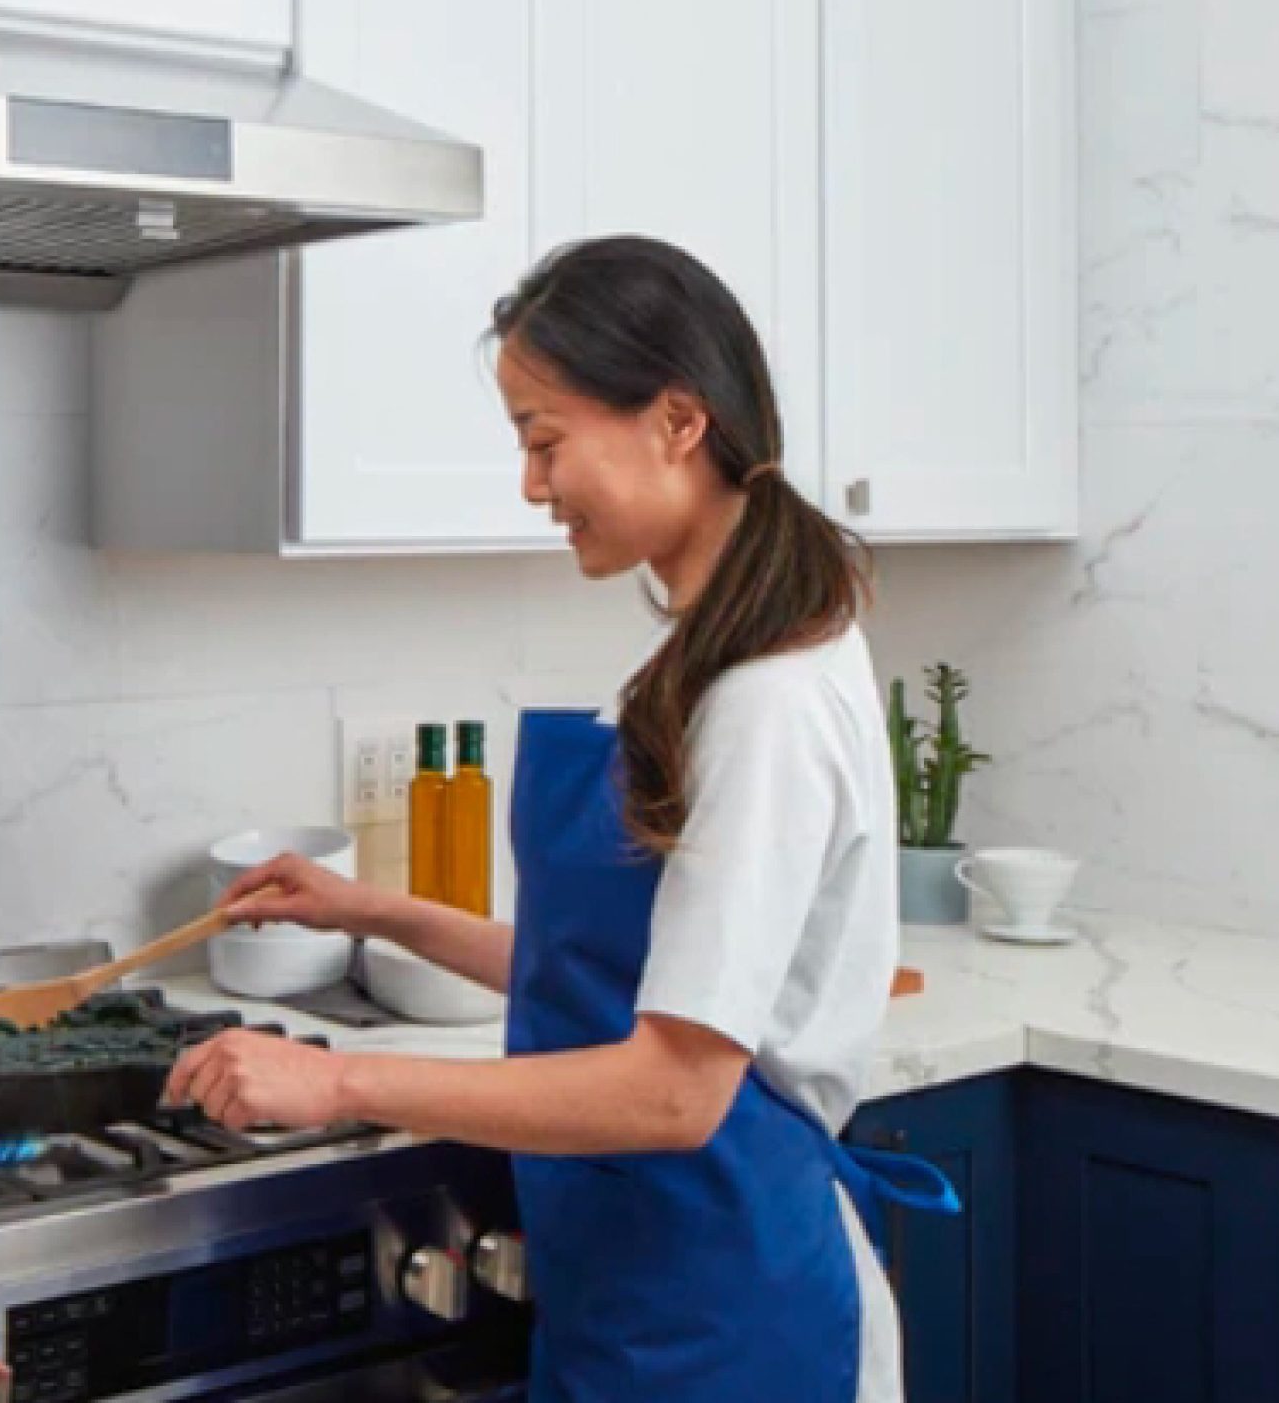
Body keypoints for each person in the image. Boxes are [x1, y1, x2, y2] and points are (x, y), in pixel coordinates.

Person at [164, 236, 955, 1402]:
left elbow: (671, 1091)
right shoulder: (715, 659)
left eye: (545, 440)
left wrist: (340, 1083)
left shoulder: (765, 703)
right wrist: (370, 910)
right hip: (641, 1290)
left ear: (677, 421)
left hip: (731, 1322)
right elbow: (619, 978)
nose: (533, 485)